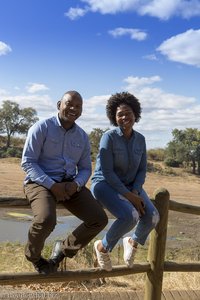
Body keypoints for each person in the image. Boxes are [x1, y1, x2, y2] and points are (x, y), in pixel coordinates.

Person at [21, 90, 108, 274]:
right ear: (59, 104)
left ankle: (62, 251)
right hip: (40, 183)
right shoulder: (41, 127)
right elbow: (28, 162)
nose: (73, 109)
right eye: (69, 104)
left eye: (78, 106)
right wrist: (52, 186)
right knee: (46, 219)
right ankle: (34, 257)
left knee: (99, 219)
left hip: (69, 185)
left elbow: (85, 168)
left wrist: (76, 184)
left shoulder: (82, 137)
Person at [91, 91, 160, 271]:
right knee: (131, 215)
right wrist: (129, 196)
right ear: (114, 117)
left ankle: (132, 242)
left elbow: (142, 169)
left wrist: (136, 192)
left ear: (135, 114)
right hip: (105, 184)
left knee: (153, 217)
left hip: (131, 186)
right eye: (119, 114)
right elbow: (107, 171)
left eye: (128, 113)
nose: (124, 117)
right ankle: (102, 247)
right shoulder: (109, 137)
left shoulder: (141, 139)